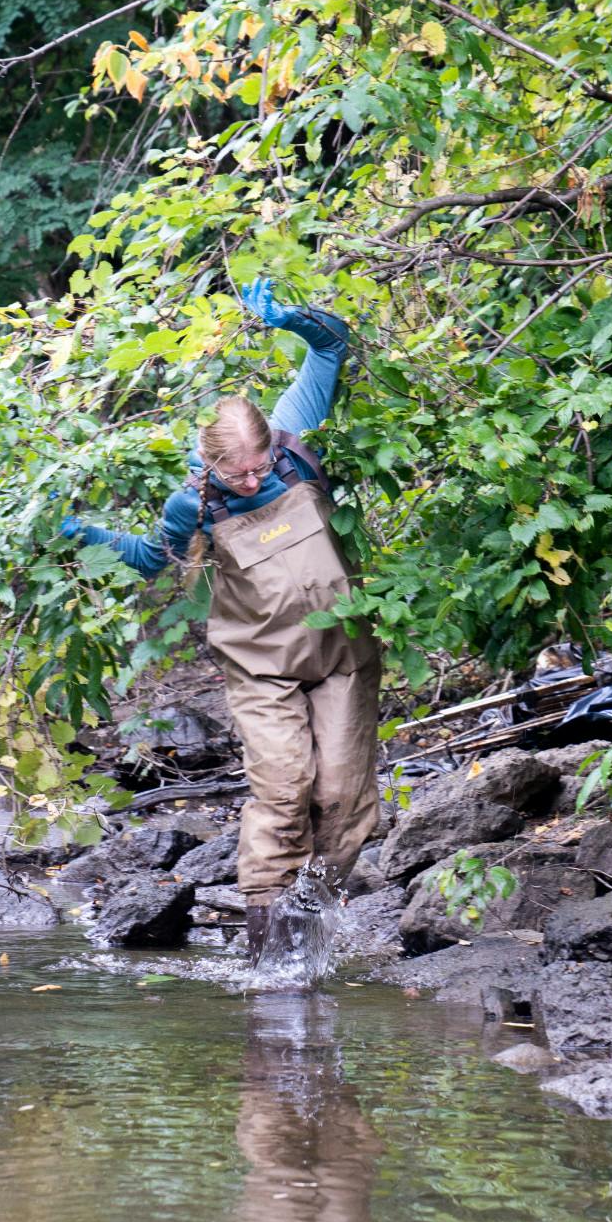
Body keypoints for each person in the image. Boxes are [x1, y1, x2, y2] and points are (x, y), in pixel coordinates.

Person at [62, 277, 382, 956]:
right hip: (260, 666)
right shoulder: (192, 505)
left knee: (346, 801)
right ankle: (273, 962)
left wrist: (291, 317)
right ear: (210, 463)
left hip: (343, 658)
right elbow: (150, 559)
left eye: (258, 465)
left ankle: (312, 925)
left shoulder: (294, 449)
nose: (251, 479)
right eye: (237, 473)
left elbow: (332, 347)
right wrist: (81, 534)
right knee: (285, 788)